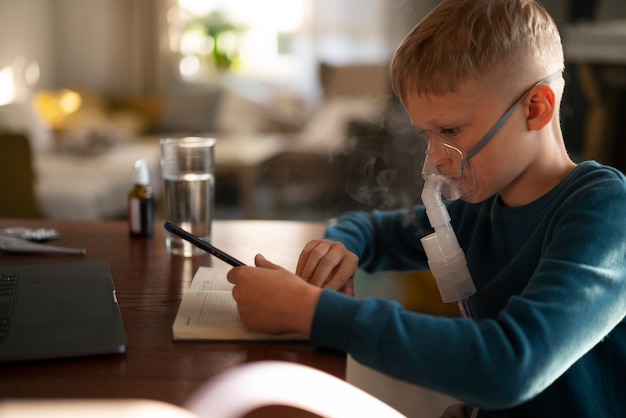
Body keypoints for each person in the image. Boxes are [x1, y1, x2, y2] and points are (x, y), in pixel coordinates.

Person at [227, 0, 626, 416]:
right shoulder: (477, 208)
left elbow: (510, 365)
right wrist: (335, 250)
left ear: (536, 108)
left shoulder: (605, 212)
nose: (434, 159)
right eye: (427, 134)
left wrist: (310, 310)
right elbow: (370, 229)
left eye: (450, 130)